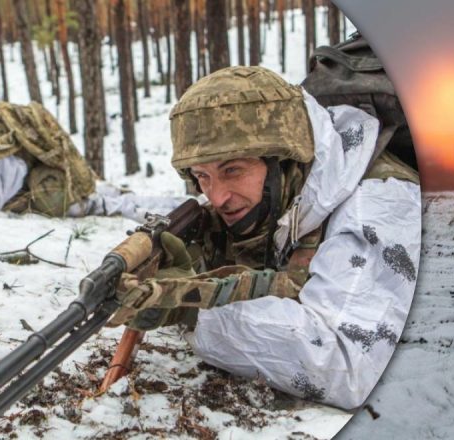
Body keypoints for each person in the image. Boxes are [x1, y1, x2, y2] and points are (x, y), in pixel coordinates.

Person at [112, 66, 422, 410]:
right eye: (202, 176)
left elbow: (352, 368)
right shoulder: (293, 195)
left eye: (232, 170)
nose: (217, 197)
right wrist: (191, 265)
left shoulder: (376, 206)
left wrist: (191, 308)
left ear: (285, 161)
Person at [0, 76, 182, 221]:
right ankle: (187, 204)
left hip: (61, 197)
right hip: (59, 187)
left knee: (128, 208)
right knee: (124, 200)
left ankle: (188, 208)